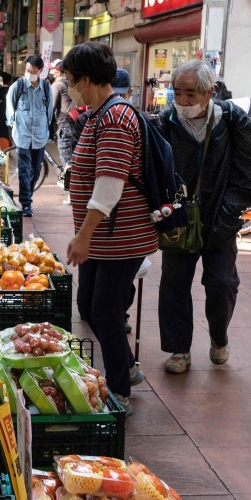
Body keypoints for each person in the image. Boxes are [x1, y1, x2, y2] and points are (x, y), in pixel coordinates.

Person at [62, 42, 158, 416]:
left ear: (87, 80)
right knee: (88, 306)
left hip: (121, 237)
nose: (70, 87)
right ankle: (126, 367)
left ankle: (119, 388)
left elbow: (110, 183)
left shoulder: (116, 119)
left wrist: (83, 234)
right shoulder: (99, 114)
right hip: (104, 238)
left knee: (104, 311)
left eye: (72, 80)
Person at [157, 60, 251, 374]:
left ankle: (219, 337)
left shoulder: (233, 121)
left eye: (191, 93)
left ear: (208, 92)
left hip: (221, 220)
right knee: (174, 284)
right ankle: (179, 350)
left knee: (221, 283)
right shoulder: (166, 122)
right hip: (178, 221)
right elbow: (154, 169)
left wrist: (229, 211)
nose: (184, 101)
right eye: (178, 93)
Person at [6, 55, 54, 217]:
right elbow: (10, 106)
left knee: (36, 169)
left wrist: (46, 130)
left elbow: (49, 113)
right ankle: (26, 203)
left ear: (41, 71)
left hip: (40, 136)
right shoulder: (18, 86)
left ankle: (28, 195)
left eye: (33, 71)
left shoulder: (47, 89)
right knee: (24, 170)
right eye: (27, 70)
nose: (29, 74)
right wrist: (12, 124)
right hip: (22, 135)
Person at [0, 73, 12, 150]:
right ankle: (8, 147)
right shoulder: (12, 90)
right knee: (8, 132)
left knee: (2, 134)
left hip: (0, 115)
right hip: (11, 115)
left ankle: (5, 150)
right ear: (10, 81)